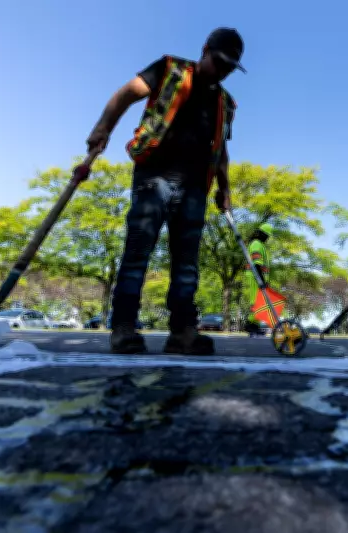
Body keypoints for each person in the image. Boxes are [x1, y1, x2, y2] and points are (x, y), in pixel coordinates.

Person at [77, 28, 245, 355]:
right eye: (220, 61)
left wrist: (225, 189)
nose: (223, 70)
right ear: (205, 50)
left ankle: (182, 332)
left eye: (230, 66)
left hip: (195, 187)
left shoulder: (225, 102)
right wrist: (102, 127)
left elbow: (221, 149)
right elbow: (126, 94)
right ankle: (124, 327)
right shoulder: (170, 69)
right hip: (154, 176)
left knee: (187, 264)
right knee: (138, 252)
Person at [242, 223, 273, 337]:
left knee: (260, 302)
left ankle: (254, 325)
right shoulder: (256, 244)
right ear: (262, 234)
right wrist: (261, 280)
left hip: (257, 276)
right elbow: (257, 264)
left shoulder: (260, 245)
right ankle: (251, 325)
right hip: (255, 276)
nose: (267, 238)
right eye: (266, 235)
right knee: (256, 301)